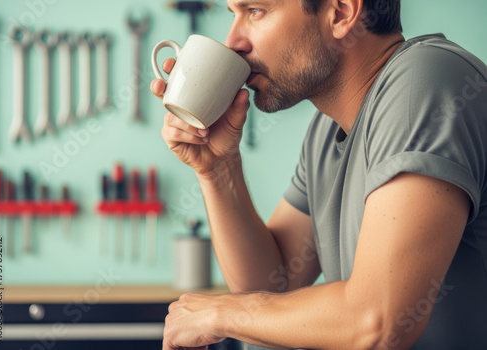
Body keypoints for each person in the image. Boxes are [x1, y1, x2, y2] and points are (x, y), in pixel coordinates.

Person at [151, 0, 487, 348]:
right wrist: (218, 169)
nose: (233, 41)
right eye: (233, 14)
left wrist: (218, 314)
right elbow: (274, 286)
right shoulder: (325, 133)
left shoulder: (428, 80)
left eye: (255, 11)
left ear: (341, 13)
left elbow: (379, 323)